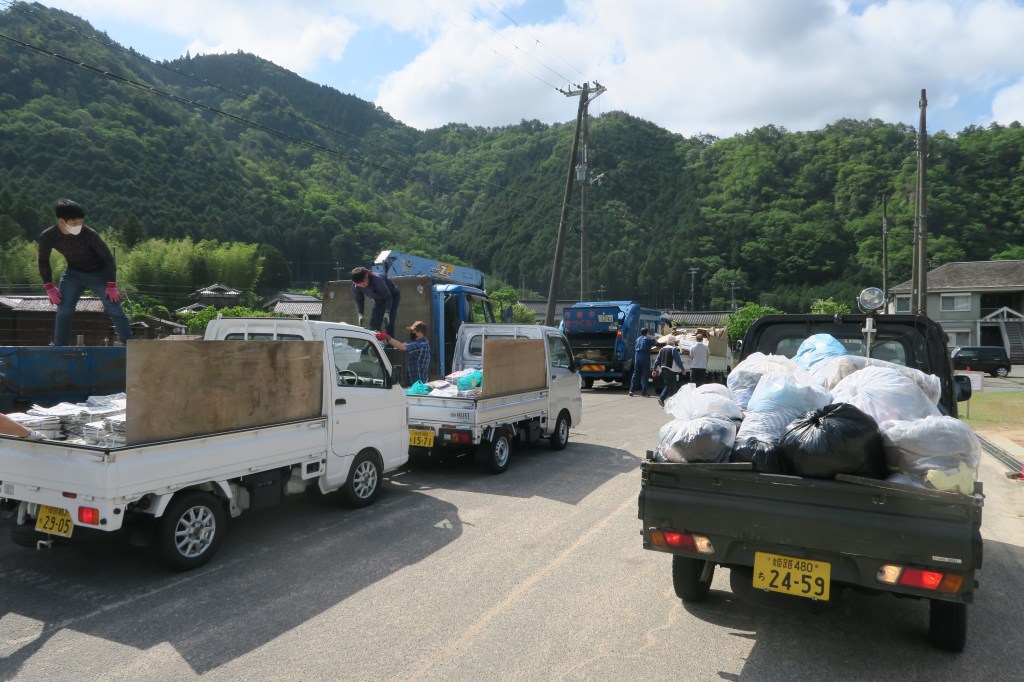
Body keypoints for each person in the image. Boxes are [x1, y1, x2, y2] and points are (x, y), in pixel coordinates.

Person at [38, 199, 132, 346]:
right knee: (64, 310)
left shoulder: (89, 234)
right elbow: (43, 261)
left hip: (99, 273)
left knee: (114, 308)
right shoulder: (48, 236)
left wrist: (111, 284)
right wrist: (49, 286)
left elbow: (108, 258)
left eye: (81, 222)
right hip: (73, 274)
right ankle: (60, 347)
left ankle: (129, 344)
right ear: (62, 221)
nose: (79, 226)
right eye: (74, 223)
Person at [351, 266, 401, 338]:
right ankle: (375, 342)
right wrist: (360, 314)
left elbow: (388, 296)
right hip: (378, 299)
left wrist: (387, 312)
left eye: (364, 283)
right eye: (360, 284)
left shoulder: (377, 280)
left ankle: (390, 343)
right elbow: (359, 300)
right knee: (374, 323)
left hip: (392, 296)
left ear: (366, 276)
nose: (363, 285)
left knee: (388, 322)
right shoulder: (355, 286)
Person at [382, 320, 430, 385]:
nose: (411, 333)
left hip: (418, 383)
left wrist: (387, 337)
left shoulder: (422, 345)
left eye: (413, 331)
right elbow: (401, 347)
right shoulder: (418, 343)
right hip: (414, 382)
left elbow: (403, 347)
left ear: (419, 332)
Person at [654, 335, 685, 406]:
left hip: (663, 370)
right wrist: (682, 369)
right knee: (673, 387)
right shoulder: (673, 349)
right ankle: (672, 404)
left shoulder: (662, 349)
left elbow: (657, 360)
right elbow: (678, 361)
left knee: (668, 385)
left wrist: (654, 369)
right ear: (673, 342)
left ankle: (661, 398)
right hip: (671, 370)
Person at [629, 327, 658, 397]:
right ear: (647, 332)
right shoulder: (648, 339)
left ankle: (631, 390)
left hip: (637, 356)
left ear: (641, 332)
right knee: (645, 375)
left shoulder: (638, 339)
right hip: (644, 357)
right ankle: (644, 392)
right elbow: (657, 344)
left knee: (635, 374)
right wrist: (665, 343)